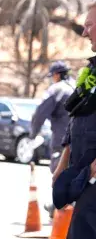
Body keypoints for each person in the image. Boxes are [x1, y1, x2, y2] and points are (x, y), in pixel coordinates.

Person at [50, 3, 96, 239]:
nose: (85, 31)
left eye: (90, 24)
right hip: (81, 172)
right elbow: (75, 116)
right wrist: (63, 161)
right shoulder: (92, 70)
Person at [32, 61, 76, 218]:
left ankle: (58, 207)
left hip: (61, 140)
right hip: (80, 140)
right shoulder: (78, 86)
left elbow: (40, 113)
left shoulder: (56, 90)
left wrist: (33, 134)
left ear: (57, 75)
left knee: (58, 172)